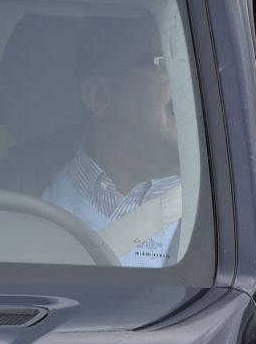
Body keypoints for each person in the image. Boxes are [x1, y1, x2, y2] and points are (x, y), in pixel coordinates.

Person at [41, 16, 183, 267]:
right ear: (100, 96)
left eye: (190, 64)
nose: (190, 82)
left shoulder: (234, 205)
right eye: (167, 64)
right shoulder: (14, 207)